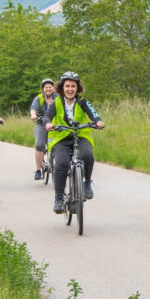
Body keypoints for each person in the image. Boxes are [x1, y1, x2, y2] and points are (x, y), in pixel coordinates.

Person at [45, 71, 105, 214]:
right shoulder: (56, 102)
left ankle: (87, 183)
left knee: (88, 155)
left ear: (77, 88)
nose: (70, 89)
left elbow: (93, 113)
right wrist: (48, 123)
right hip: (61, 138)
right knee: (61, 164)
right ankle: (59, 197)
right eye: (67, 86)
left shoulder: (82, 101)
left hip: (80, 135)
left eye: (73, 86)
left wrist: (98, 121)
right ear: (62, 87)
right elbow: (47, 116)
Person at [29, 78, 59, 180]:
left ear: (53, 88)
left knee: (59, 144)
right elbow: (33, 108)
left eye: (50, 87)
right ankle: (38, 170)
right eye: (46, 87)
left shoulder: (58, 97)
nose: (48, 89)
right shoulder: (39, 98)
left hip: (54, 124)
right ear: (43, 89)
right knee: (40, 145)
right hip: (41, 123)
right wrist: (33, 115)